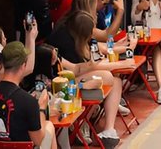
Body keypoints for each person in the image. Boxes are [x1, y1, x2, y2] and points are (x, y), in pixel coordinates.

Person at [46, 13, 131, 147]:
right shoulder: (64, 47)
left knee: (116, 80)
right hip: (61, 90)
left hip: (73, 83)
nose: (93, 34)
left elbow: (77, 68)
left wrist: (125, 47)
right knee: (108, 77)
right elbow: (70, 73)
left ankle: (106, 129)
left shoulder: (83, 42)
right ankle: (81, 123)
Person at [0, 42, 55, 149]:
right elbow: (38, 140)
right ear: (23, 65)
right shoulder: (29, 102)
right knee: (49, 126)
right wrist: (41, 109)